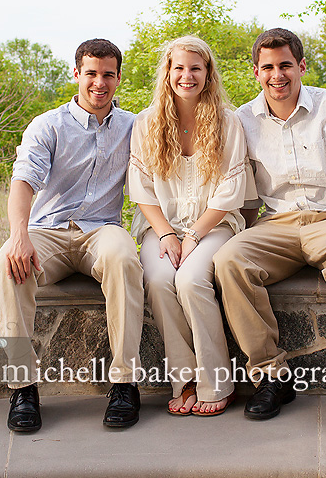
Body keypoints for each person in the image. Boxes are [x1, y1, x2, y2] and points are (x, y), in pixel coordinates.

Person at [214, 28, 326, 434]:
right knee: (229, 260)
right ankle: (272, 376)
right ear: (256, 72)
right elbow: (243, 188)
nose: (278, 75)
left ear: (301, 66)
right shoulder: (242, 119)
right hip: (278, 223)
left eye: (286, 65)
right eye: (268, 67)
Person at [0, 38, 144, 433]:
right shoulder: (49, 125)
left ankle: (125, 383)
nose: (99, 82)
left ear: (118, 78)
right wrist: (19, 236)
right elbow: (23, 181)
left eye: (108, 74)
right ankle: (22, 387)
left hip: (102, 230)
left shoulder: (133, 126)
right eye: (91, 73)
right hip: (49, 231)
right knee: (7, 267)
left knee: (125, 259)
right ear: (76, 75)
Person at [127, 36, 252, 417]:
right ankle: (184, 380)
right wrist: (166, 233)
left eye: (195, 68)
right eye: (178, 68)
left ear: (208, 73)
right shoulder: (146, 123)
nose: (186, 75)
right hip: (161, 225)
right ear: (167, 73)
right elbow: (141, 187)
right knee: (161, 280)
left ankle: (217, 382)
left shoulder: (228, 122)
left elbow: (230, 191)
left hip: (214, 224)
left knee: (192, 279)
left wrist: (194, 235)